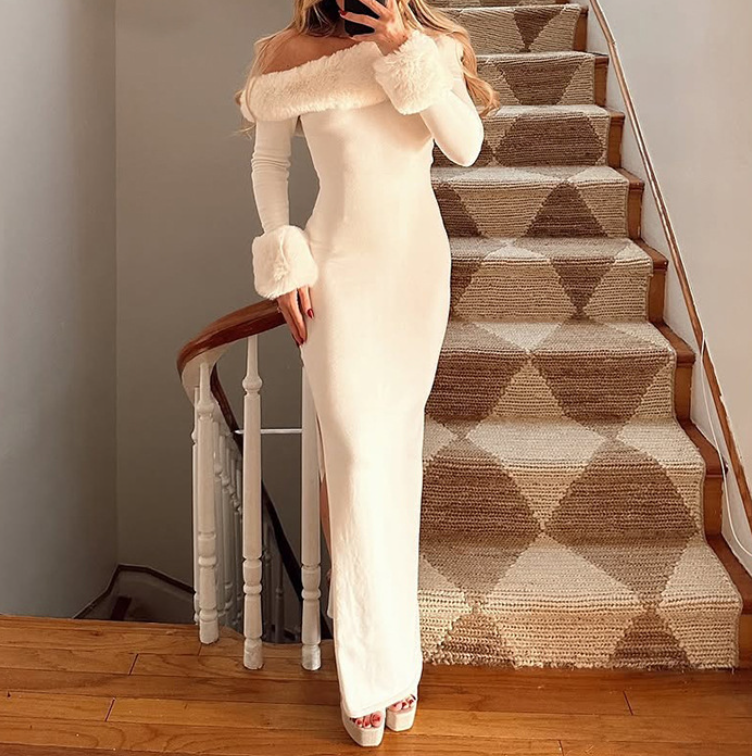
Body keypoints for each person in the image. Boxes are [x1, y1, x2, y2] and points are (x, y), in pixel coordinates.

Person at [237, 0, 497, 746]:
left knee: (395, 462)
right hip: (338, 273)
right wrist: (284, 257)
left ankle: (396, 663)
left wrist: (403, 49)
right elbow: (270, 164)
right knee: (353, 458)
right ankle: (368, 674)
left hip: (413, 269)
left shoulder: (428, 44)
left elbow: (465, 146)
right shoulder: (288, 53)